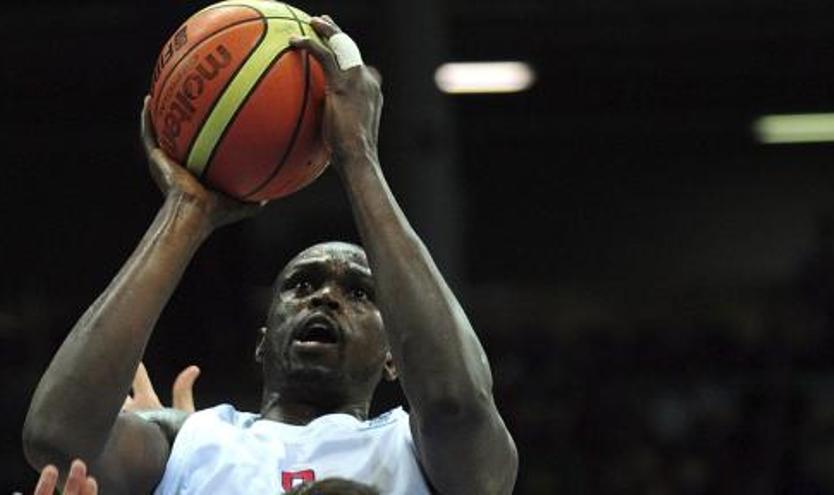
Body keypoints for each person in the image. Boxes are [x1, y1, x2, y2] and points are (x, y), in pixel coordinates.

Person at [22, 15, 517, 494]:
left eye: (361, 293)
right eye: (301, 285)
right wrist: (186, 213)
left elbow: (456, 403)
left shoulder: (420, 450)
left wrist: (359, 157)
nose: (325, 297)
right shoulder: (188, 441)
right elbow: (58, 440)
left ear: (395, 357)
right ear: (262, 341)